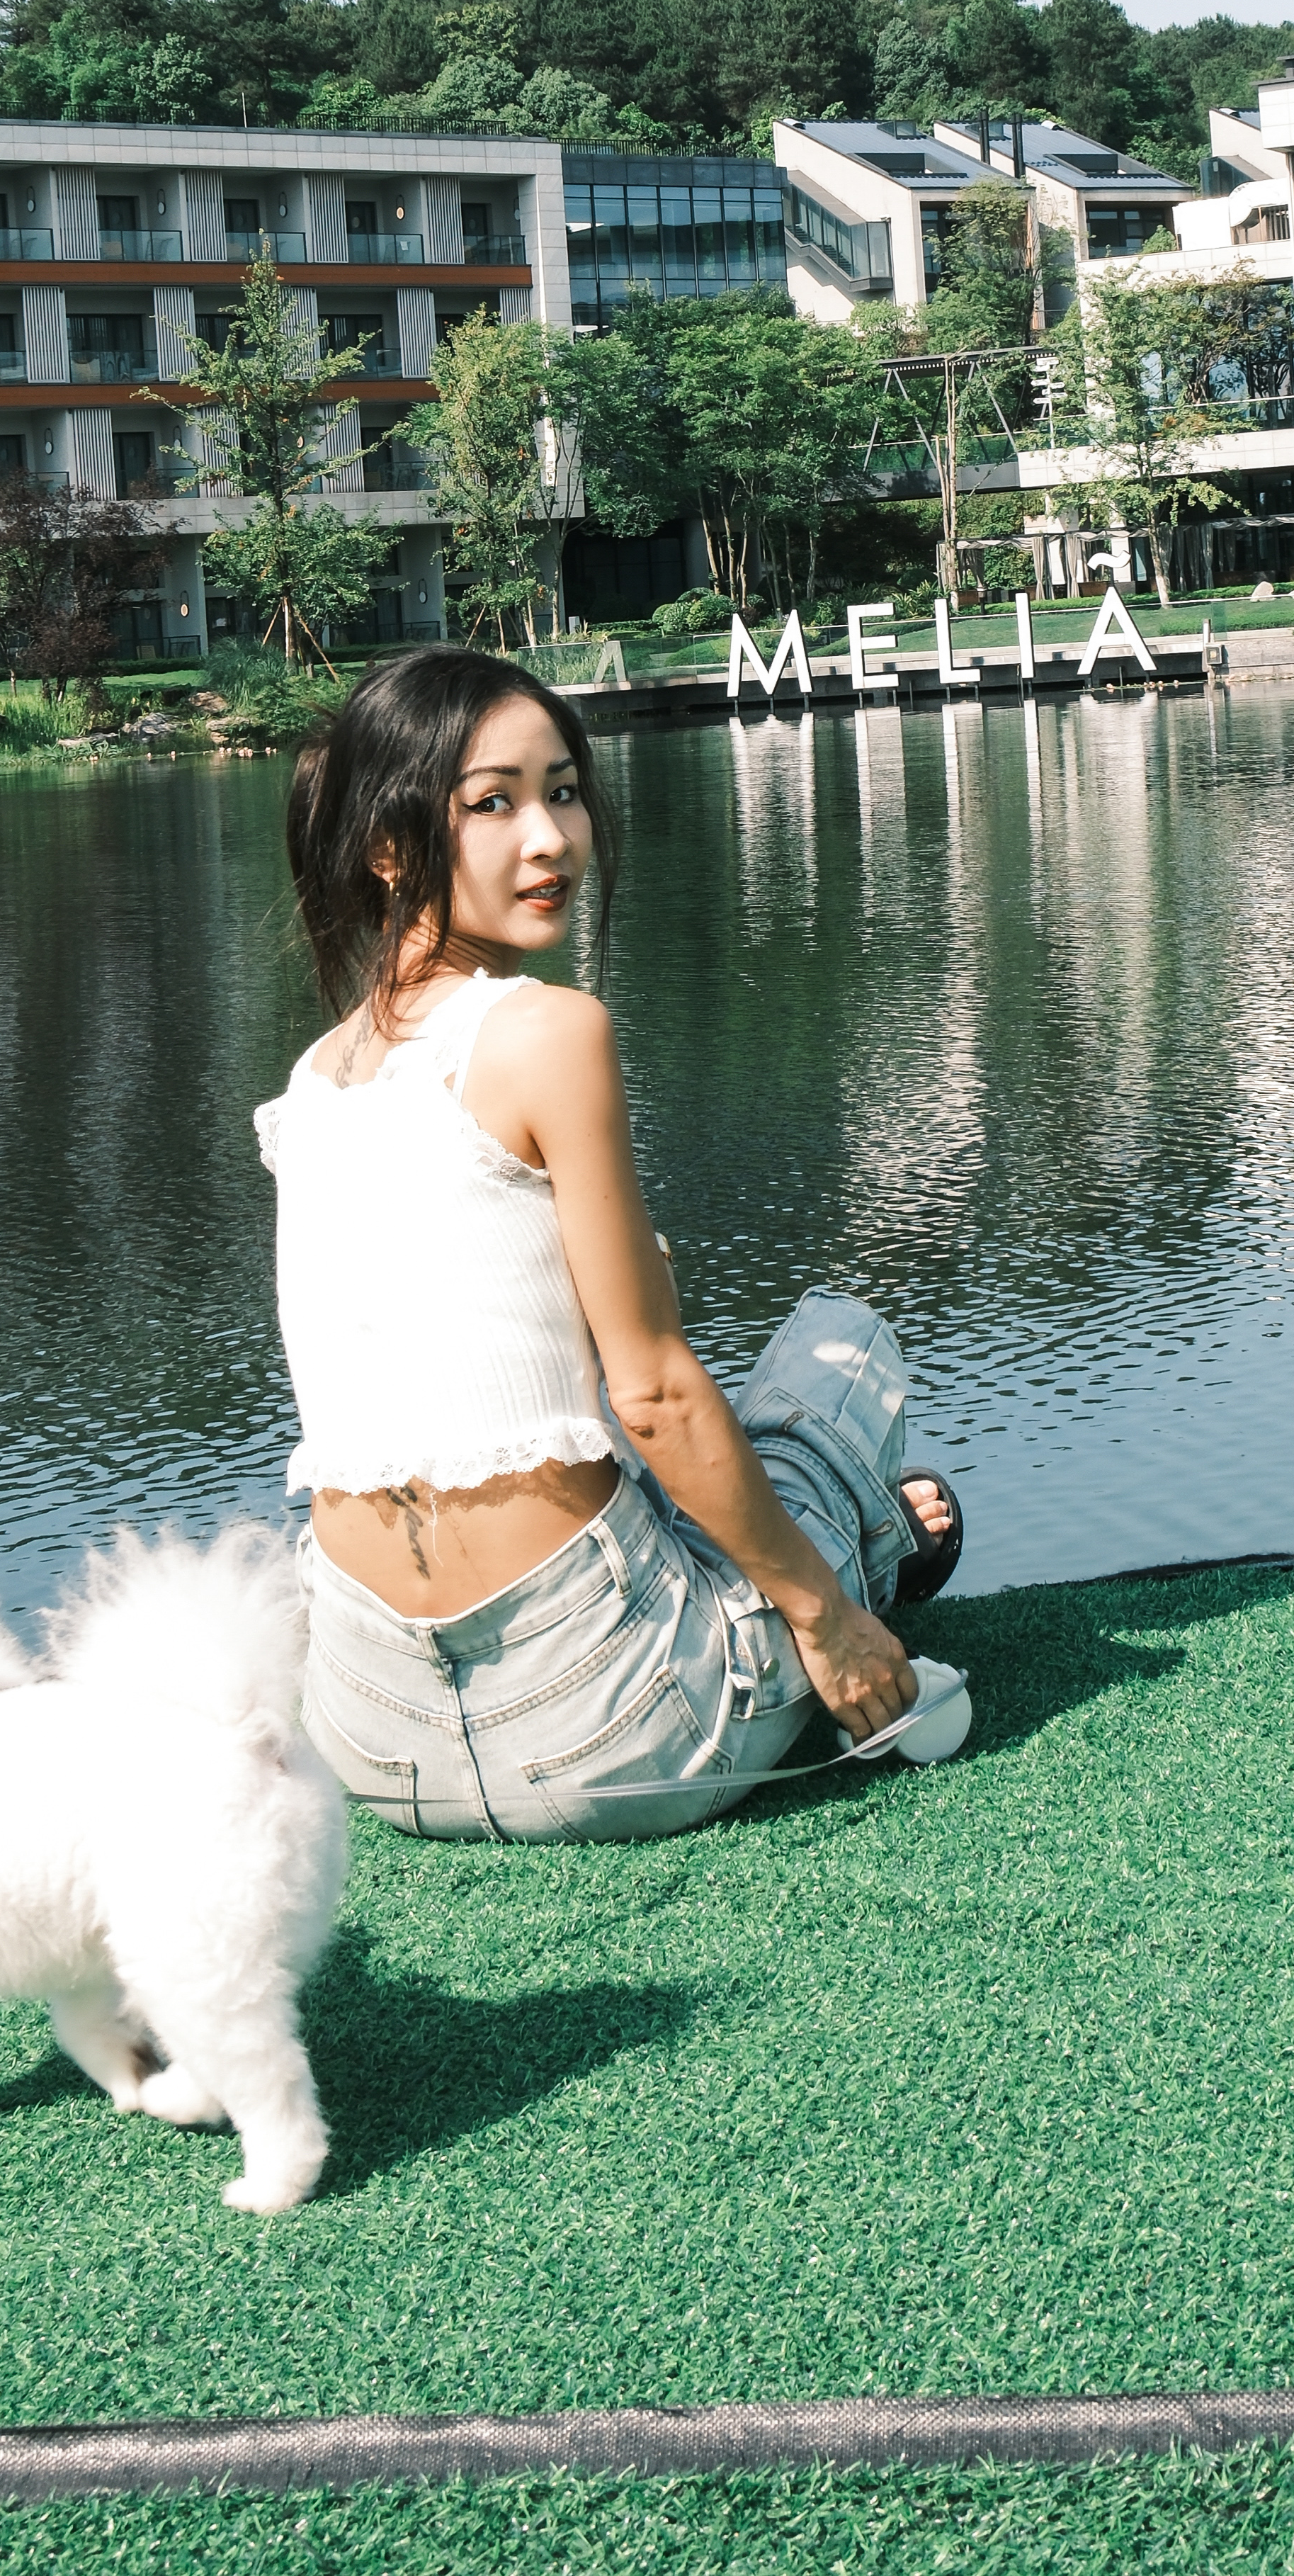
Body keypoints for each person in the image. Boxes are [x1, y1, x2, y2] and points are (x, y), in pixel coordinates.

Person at [262, 645, 963, 1840]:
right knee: (837, 1353)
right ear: (389, 846)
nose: (551, 839)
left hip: (376, 1745)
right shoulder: (548, 1031)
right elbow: (651, 1398)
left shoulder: (314, 1080)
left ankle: (872, 1521)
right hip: (614, 1723)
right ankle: (883, 1531)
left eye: (564, 790)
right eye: (493, 804)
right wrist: (830, 1630)